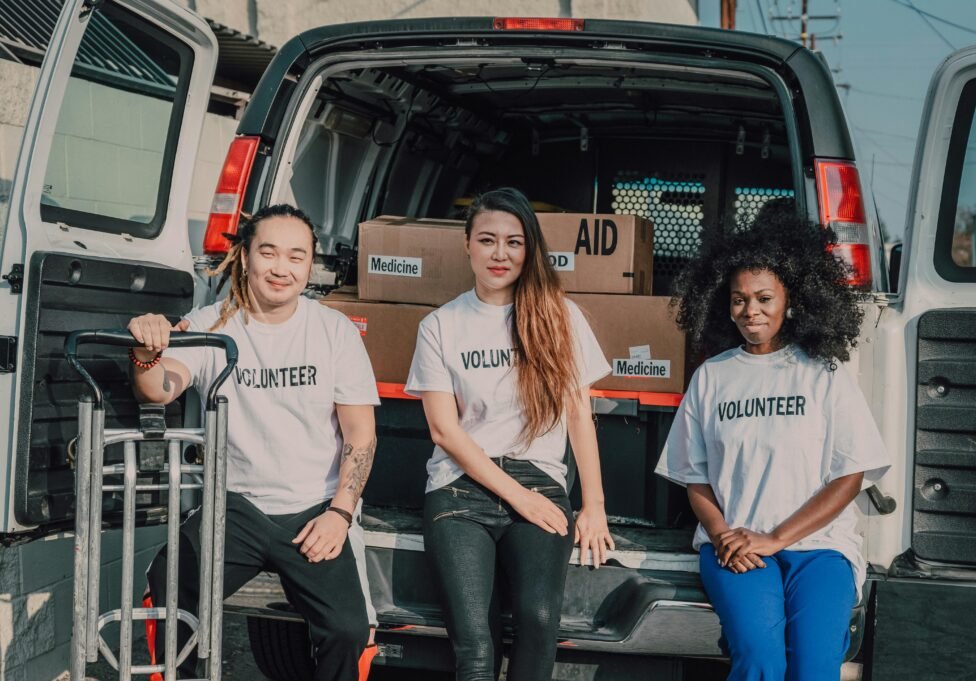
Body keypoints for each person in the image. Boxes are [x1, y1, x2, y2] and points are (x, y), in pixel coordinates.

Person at [128, 204, 378, 681]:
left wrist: (340, 514)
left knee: (348, 630)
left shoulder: (334, 332)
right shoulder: (211, 324)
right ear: (245, 258)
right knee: (167, 591)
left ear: (309, 266)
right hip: (234, 508)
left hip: (314, 508)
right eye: (269, 252)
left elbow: (360, 435)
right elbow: (159, 390)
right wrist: (146, 353)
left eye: (296, 257)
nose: (281, 268)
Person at [655, 210, 890, 681]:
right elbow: (694, 476)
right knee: (761, 661)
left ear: (791, 300)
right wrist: (723, 534)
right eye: (739, 300)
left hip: (820, 549)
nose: (751, 311)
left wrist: (779, 537)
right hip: (736, 545)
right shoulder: (712, 377)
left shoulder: (823, 372)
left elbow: (852, 474)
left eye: (764, 298)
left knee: (814, 666)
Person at [405, 187, 615, 681]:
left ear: (530, 249)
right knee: (475, 645)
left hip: (540, 480)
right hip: (459, 488)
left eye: (514, 242)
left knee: (539, 621)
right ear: (467, 246)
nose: (501, 254)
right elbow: (444, 431)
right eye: (488, 240)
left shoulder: (558, 315)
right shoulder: (441, 325)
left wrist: (594, 506)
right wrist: (517, 498)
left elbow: (580, 416)